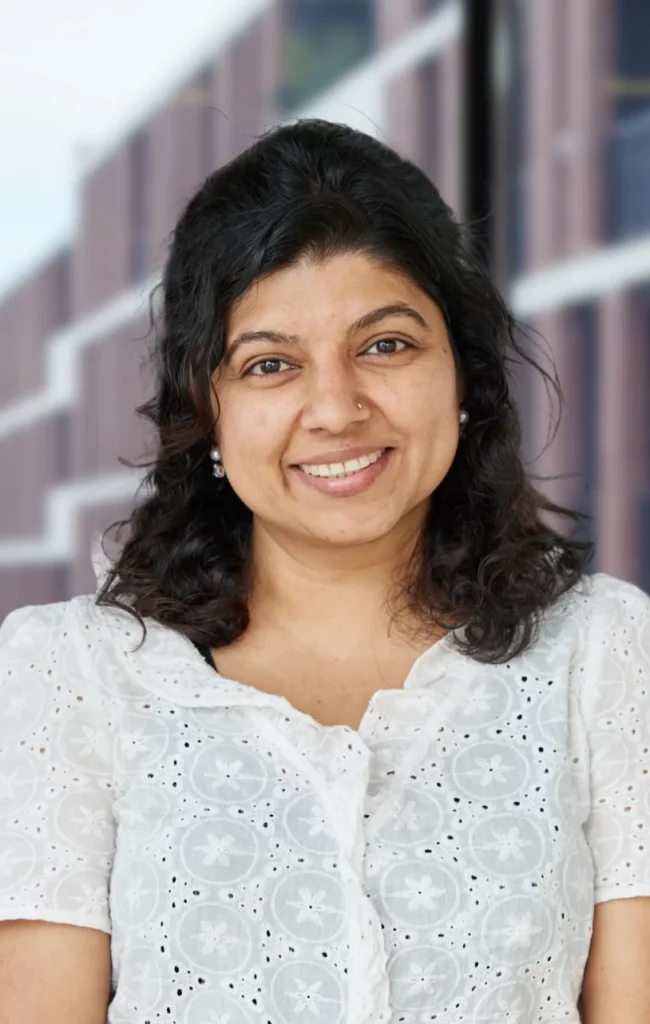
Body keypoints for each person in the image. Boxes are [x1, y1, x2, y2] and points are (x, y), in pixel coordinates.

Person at [0, 118, 649, 1024]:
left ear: (464, 373)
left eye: (386, 345)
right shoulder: (72, 674)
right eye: (270, 365)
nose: (336, 409)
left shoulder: (606, 654)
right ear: (205, 408)